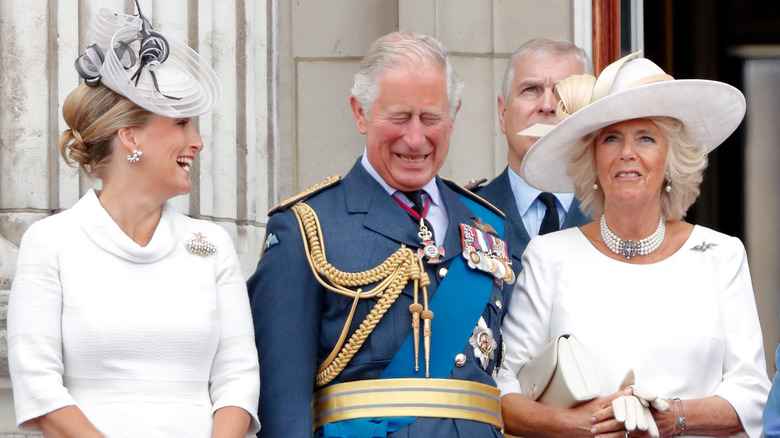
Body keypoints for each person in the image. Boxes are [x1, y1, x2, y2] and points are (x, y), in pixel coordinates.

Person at [6, 4, 260, 437]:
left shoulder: (212, 243)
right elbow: (39, 387)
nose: (196, 142)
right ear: (130, 136)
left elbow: (238, 377)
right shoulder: (51, 242)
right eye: (181, 123)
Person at [248, 31, 511, 437]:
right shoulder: (307, 227)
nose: (415, 138)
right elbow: (282, 407)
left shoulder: (486, 226)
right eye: (400, 117)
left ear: (453, 116)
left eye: (431, 118)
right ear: (360, 113)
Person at [496, 52, 770, 437]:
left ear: (671, 160)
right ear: (592, 159)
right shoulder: (549, 255)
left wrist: (672, 416)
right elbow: (503, 388)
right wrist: (578, 424)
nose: (627, 152)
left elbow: (753, 394)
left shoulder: (721, 256)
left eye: (645, 137)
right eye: (611, 138)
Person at [474, 38, 591, 277]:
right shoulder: (466, 213)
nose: (547, 105)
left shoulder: (617, 215)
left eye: (562, 93)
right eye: (530, 90)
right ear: (503, 112)